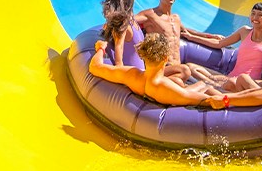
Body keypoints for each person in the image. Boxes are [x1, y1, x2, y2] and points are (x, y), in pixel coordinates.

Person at [89, 11, 220, 106]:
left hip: (146, 87)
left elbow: (95, 67)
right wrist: (230, 100)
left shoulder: (131, 74)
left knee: (180, 81)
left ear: (143, 55)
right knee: (203, 85)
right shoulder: (165, 87)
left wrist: (100, 48)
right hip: (166, 96)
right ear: (165, 57)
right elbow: (209, 101)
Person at [138, 0, 227, 86]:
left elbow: (188, 32)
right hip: (161, 69)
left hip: (177, 68)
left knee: (198, 72)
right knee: (186, 71)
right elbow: (129, 21)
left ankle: (223, 86)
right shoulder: (150, 15)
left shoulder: (176, 18)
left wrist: (210, 36)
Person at [203, 2, 262, 92]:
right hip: (231, 77)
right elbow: (219, 43)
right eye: (253, 13)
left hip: (249, 81)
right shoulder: (244, 31)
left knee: (211, 85)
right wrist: (191, 36)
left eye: (260, 15)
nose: (255, 18)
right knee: (194, 68)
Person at [99, 0, 144, 68]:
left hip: (141, 73)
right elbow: (119, 48)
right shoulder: (122, 21)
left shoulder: (131, 20)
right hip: (133, 76)